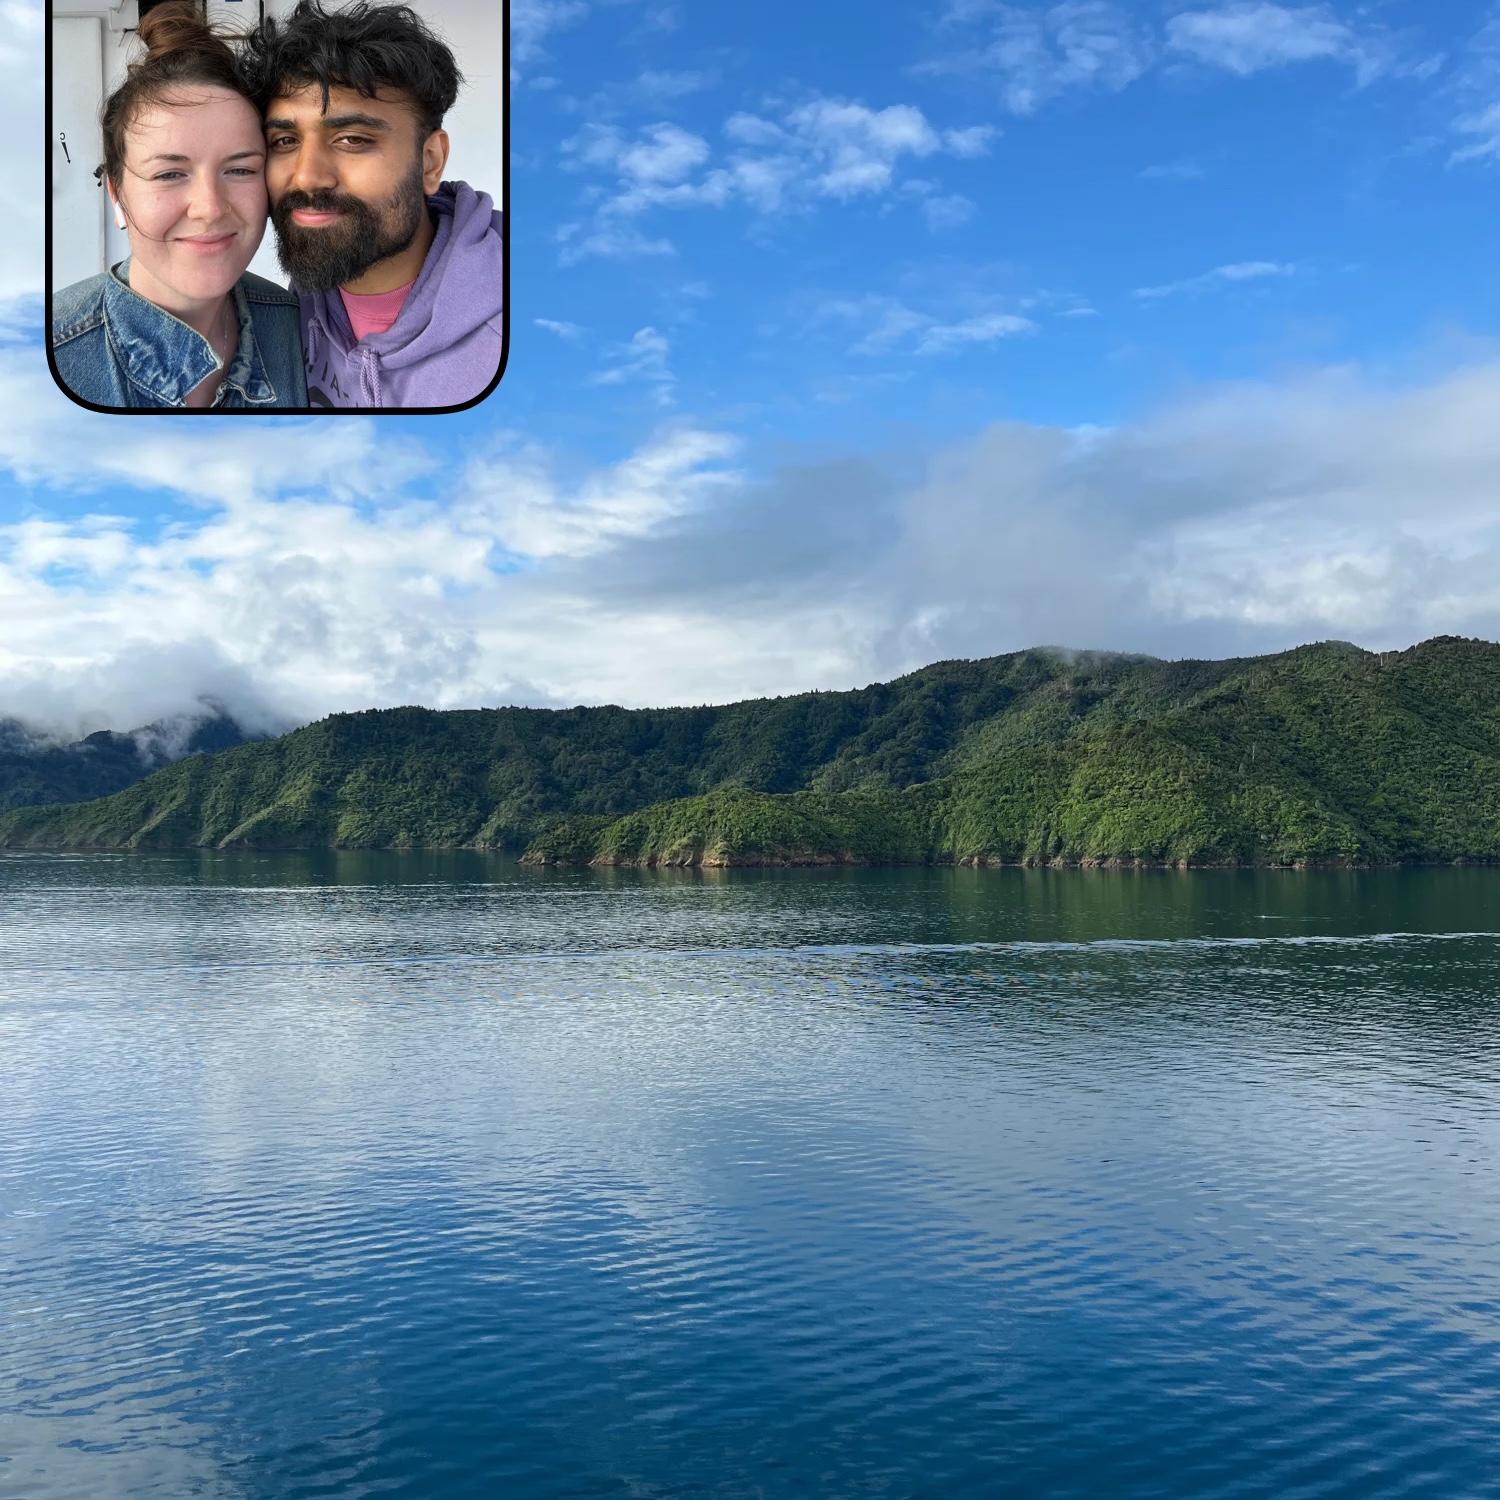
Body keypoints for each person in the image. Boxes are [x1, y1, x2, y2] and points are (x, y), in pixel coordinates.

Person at [237, 0, 505, 410]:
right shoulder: (299, 302)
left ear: (429, 161)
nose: (307, 176)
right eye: (285, 142)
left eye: (353, 139)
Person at [50, 4, 307, 412]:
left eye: (240, 169)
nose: (209, 208)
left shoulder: (298, 330)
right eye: (170, 174)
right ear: (117, 196)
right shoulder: (45, 355)